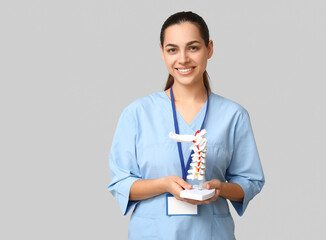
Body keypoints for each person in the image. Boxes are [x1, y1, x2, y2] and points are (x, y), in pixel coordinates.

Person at [108, 11, 265, 240]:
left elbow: (250, 181)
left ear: (209, 49)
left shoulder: (233, 115)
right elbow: (121, 182)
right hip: (152, 233)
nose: (183, 59)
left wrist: (220, 189)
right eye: (172, 49)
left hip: (211, 233)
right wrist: (163, 184)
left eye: (193, 48)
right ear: (162, 52)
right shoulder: (138, 113)